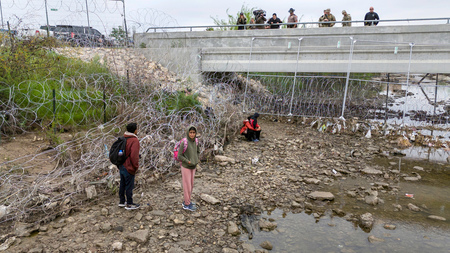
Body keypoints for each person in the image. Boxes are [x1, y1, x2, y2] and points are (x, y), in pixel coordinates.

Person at [119, 123, 141, 210]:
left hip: (121, 164)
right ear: (135, 130)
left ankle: (122, 201)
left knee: (122, 183)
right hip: (129, 166)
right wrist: (135, 167)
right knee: (129, 185)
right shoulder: (134, 140)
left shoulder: (123, 138)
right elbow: (134, 156)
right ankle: (129, 203)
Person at [178, 126, 200, 212]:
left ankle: (188, 201)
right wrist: (188, 161)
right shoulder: (184, 142)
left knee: (191, 185)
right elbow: (180, 155)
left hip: (193, 166)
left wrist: (196, 159)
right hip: (186, 166)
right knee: (187, 186)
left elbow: (197, 151)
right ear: (188, 133)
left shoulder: (196, 141)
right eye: (190, 132)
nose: (192, 134)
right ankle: (187, 204)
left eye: (193, 133)